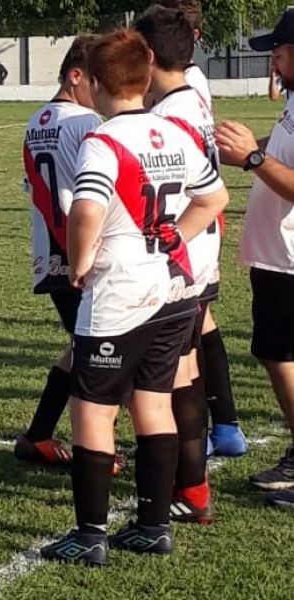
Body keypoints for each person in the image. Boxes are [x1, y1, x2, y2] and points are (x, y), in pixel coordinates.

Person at [40, 28, 228, 566]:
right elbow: (213, 196)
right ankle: (152, 524)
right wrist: (174, 239)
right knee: (153, 401)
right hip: (173, 285)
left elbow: (85, 210)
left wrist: (78, 264)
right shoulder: (173, 133)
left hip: (120, 291)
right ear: (145, 80)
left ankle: (91, 534)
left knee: (92, 412)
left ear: (96, 83)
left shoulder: (104, 140)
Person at [137, 5, 223, 524]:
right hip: (202, 255)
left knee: (170, 378)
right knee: (185, 370)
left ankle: (186, 488)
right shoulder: (192, 101)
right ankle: (191, 487)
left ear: (147, 56)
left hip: (180, 262)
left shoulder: (167, 117)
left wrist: (164, 245)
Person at [156, 0, 247, 456]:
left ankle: (191, 452)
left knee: (179, 353)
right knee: (197, 329)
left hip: (187, 229)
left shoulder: (174, 102)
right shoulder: (193, 88)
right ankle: (223, 426)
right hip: (203, 223)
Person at [215, 8, 294, 509]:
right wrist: (243, 149)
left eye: (280, 49)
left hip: (291, 258)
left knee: (281, 355)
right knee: (276, 355)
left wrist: (254, 159)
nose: (273, 58)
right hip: (277, 256)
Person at [16, 35, 105, 469]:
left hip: (48, 252)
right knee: (101, 350)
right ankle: (93, 448)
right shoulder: (87, 123)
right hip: (78, 251)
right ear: (76, 76)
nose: (103, 92)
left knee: (84, 345)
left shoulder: (36, 121)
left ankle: (38, 435)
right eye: (98, 80)